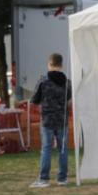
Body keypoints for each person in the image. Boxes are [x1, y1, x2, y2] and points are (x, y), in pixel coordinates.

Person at [29, 53, 72, 188]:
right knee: (63, 149)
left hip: (47, 120)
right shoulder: (67, 82)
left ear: (49, 64)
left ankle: (44, 179)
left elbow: (34, 100)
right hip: (62, 120)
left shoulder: (43, 80)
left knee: (46, 149)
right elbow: (69, 101)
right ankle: (62, 178)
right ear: (61, 64)